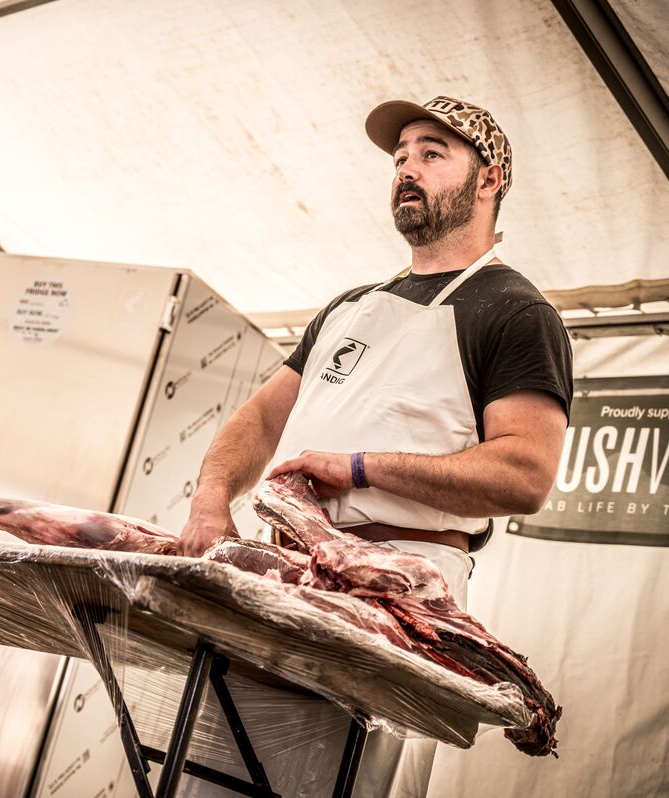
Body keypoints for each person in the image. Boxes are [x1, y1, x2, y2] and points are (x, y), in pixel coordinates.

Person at [179, 96, 572, 796]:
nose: (406, 170)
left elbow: (525, 473)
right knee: (212, 778)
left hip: (394, 607)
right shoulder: (349, 306)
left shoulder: (518, 312)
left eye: (432, 154)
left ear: (490, 179)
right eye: (400, 158)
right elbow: (261, 419)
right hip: (279, 583)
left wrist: (359, 469)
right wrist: (210, 501)